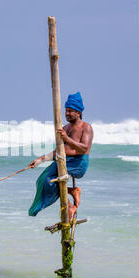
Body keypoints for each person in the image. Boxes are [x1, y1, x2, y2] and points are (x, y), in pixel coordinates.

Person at [28, 92, 93, 221]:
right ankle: (72, 191)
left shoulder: (86, 127)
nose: (67, 113)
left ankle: (70, 206)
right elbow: (58, 150)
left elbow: (84, 149)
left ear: (78, 112)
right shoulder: (65, 128)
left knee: (52, 180)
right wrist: (40, 160)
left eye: (70, 111)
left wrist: (66, 138)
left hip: (78, 163)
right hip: (64, 160)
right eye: (66, 111)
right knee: (42, 180)